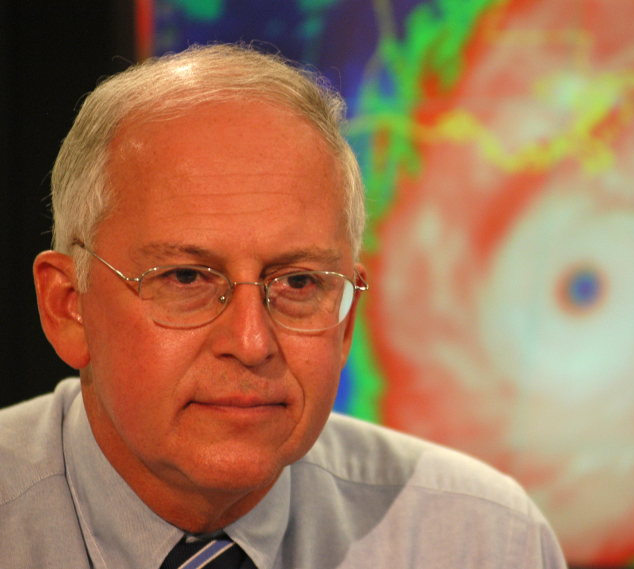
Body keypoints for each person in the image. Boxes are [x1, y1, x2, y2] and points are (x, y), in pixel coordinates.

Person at [0, 44, 565, 568]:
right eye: (186, 277)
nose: (251, 343)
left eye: (298, 283)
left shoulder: (485, 541)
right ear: (68, 306)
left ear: (344, 325)